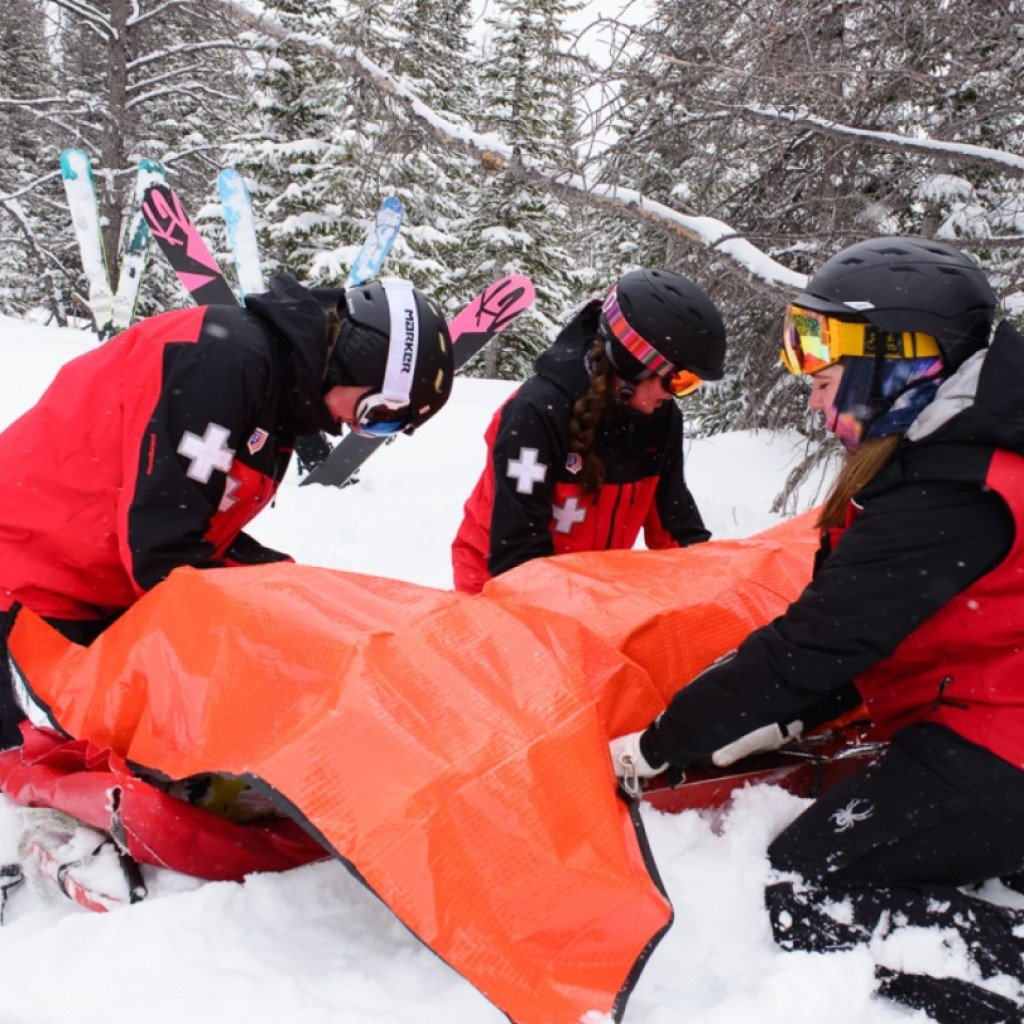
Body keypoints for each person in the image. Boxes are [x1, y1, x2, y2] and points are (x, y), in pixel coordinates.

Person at [610, 236, 1024, 1024]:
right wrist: (789, 716)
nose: (811, 399)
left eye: (825, 378)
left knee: (813, 885)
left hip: (1004, 744)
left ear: (900, 360)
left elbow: (816, 643)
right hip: (993, 718)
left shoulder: (955, 488)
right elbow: (872, 630)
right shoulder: (958, 451)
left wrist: (661, 743)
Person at [0, 274, 454, 749]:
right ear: (356, 359)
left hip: (89, 586)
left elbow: (192, 531)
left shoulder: (271, 390)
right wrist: (270, 618)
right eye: (377, 416)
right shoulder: (223, 364)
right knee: (64, 768)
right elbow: (163, 549)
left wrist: (290, 590)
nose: (359, 433)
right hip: (29, 586)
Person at [451, 269, 726, 594]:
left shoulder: (660, 420)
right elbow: (516, 550)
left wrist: (713, 591)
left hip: (590, 595)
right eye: (677, 379)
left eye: (689, 384)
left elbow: (677, 530)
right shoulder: (536, 413)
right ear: (632, 362)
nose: (674, 395)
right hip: (496, 588)